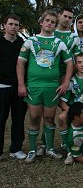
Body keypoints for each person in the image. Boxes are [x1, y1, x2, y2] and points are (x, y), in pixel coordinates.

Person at [16, 10, 73, 163]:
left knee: (49, 118)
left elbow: (69, 63)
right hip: (33, 86)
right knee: (34, 117)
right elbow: (20, 63)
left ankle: (49, 149)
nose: (49, 23)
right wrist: (21, 84)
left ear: (55, 25)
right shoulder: (30, 41)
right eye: (47, 20)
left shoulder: (59, 43)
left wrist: (66, 82)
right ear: (41, 22)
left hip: (52, 88)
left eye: (53, 22)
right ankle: (33, 150)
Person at [0, 14, 27, 161]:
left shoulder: (22, 44)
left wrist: (23, 84)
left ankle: (16, 149)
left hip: (19, 87)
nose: (13, 27)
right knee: (0, 119)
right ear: (4, 25)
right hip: (2, 87)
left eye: (16, 25)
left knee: (18, 119)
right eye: (11, 24)